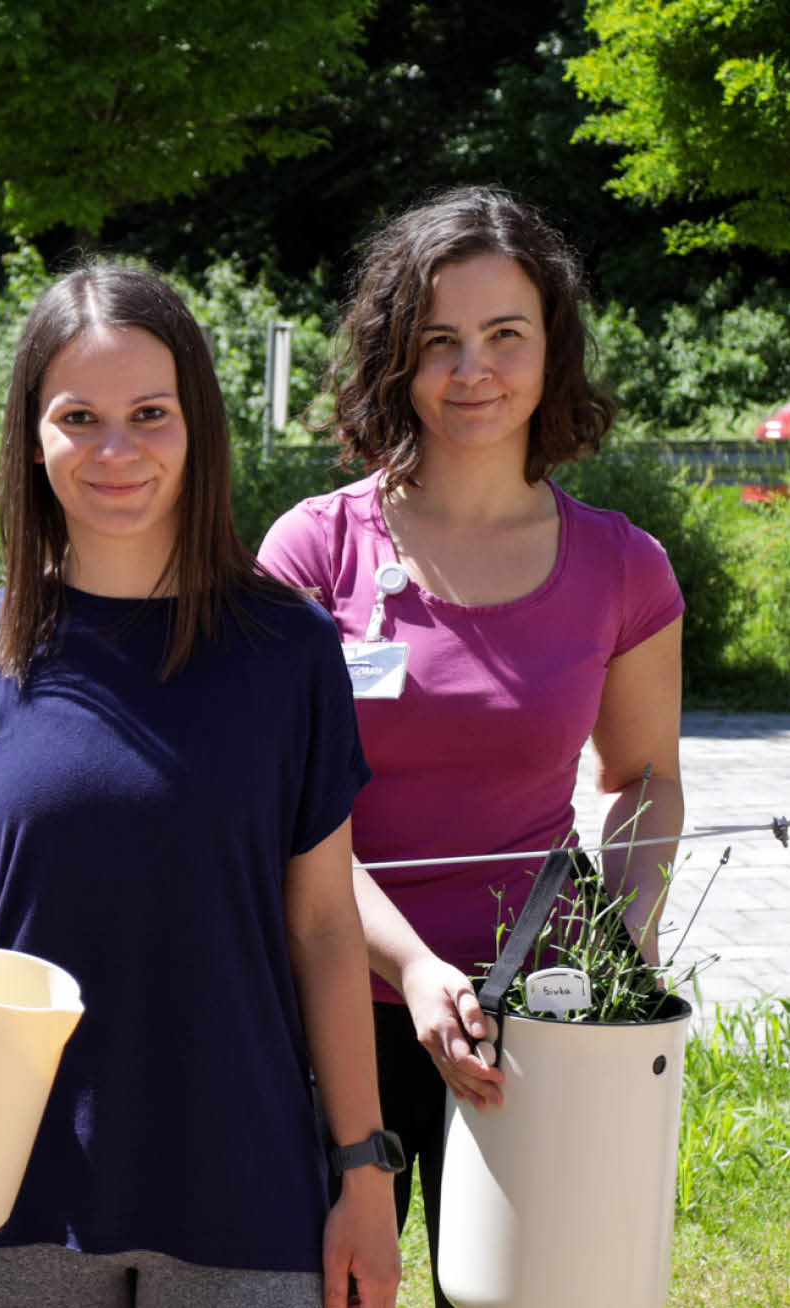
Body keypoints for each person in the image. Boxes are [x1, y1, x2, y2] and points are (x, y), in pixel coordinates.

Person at [0, 263, 401, 1308]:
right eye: (79, 417)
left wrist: (363, 1171)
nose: (116, 451)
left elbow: (327, 931)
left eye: (149, 414)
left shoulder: (285, 649)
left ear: (196, 422)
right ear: (31, 434)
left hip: (240, 1184)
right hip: (11, 1190)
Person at [256, 186, 685, 1302]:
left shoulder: (623, 565)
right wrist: (413, 967)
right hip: (323, 1003)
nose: (471, 370)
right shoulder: (310, 551)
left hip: (534, 1021)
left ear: (553, 351)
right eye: (436, 340)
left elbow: (642, 783)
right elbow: (271, 812)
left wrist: (599, 968)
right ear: (395, 357)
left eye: (505, 336)